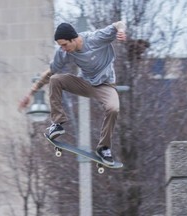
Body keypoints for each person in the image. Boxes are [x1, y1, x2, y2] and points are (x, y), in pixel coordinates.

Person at [19, 21, 127, 165]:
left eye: (64, 44)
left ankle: (104, 148)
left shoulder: (96, 38)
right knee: (56, 79)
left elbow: (118, 24)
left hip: (105, 86)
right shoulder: (64, 53)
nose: (63, 49)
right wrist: (31, 93)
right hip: (85, 84)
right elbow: (50, 72)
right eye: (60, 46)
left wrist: (121, 31)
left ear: (74, 38)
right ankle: (57, 124)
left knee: (113, 108)